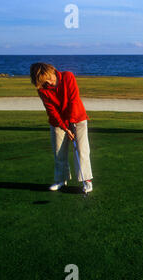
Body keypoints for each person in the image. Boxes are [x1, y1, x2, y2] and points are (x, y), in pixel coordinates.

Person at [30, 63, 93, 193]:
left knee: (82, 150)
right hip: (57, 122)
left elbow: (73, 100)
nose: (49, 82)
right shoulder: (42, 89)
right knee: (59, 151)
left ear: (52, 71)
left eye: (49, 78)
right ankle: (60, 180)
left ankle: (86, 180)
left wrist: (71, 122)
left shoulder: (68, 77)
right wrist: (65, 127)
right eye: (44, 81)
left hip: (78, 117)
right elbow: (51, 110)